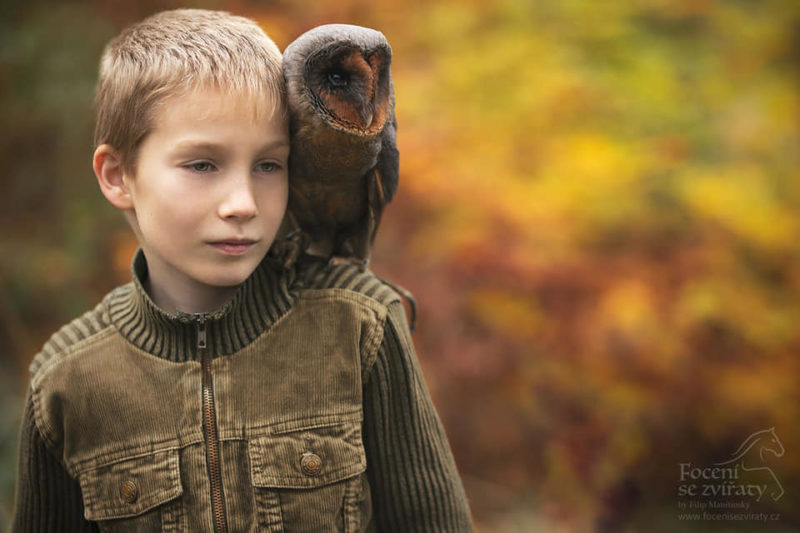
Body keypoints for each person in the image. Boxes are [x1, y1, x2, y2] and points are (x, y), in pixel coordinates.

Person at [11, 8, 473, 532]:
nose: (242, 203)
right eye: (203, 165)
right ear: (118, 176)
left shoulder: (359, 325)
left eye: (268, 165)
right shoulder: (67, 382)